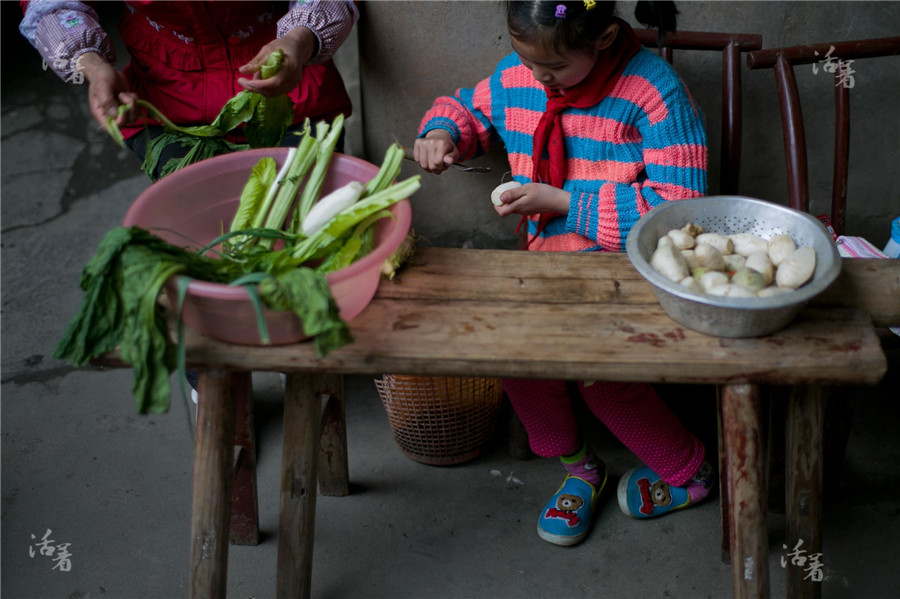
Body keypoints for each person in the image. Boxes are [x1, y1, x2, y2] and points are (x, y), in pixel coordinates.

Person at [413, 0, 712, 546]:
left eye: (552, 70)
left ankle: (690, 473)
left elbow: (680, 210)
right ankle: (580, 468)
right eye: (527, 64)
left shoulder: (652, 91)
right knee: (515, 360)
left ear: (601, 39)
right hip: (546, 267)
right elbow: (469, 108)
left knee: (601, 378)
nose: (537, 79)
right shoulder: (520, 77)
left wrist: (563, 200)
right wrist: (442, 133)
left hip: (624, 270)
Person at [19, 0, 357, 180]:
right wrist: (91, 65)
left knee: (300, 222)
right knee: (204, 231)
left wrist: (298, 40)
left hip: (289, 93)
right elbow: (53, 4)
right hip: (165, 106)